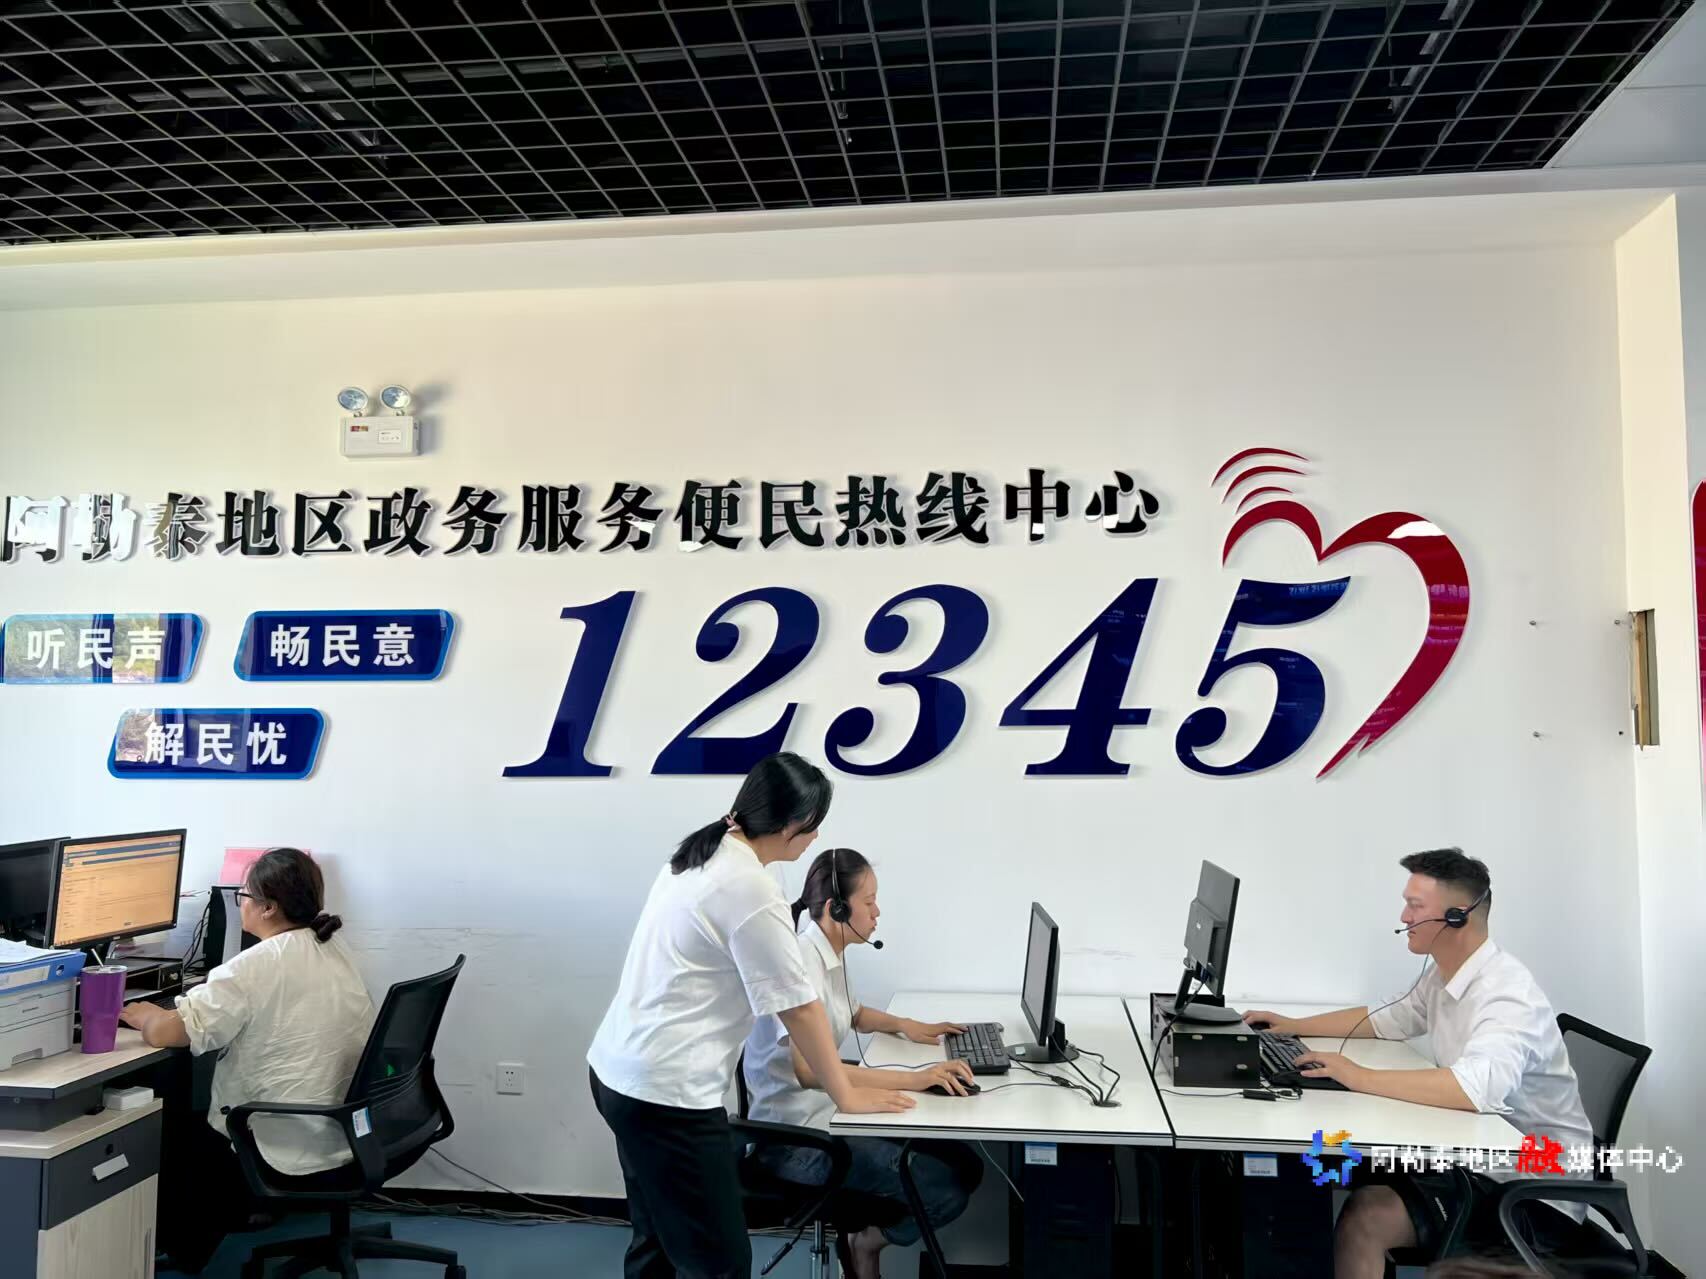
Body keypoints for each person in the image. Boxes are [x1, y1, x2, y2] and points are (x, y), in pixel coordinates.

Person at [587, 753, 914, 1279]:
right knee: (720, 1263)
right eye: (813, 825)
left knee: (658, 1243)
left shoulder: (701, 854)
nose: (816, 837)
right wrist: (847, 1095)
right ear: (790, 825)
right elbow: (799, 1008)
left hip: (619, 1073)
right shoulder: (751, 888)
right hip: (667, 1097)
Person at [1244, 848, 1593, 1279]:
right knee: (1310, 1165)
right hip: (1478, 1166)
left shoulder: (1507, 997)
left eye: (1415, 906)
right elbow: (1388, 1018)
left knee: (1367, 1218)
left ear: (1456, 917)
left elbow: (1472, 1090)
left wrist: (1357, 1076)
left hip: (1531, 1196)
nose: (1404, 917)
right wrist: (1295, 1026)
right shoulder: (1447, 974)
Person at [119, 848, 375, 1265]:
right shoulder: (331, 944)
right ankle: (235, 1219)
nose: (241, 905)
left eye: (243, 896)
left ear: (268, 907)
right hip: (342, 1122)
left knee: (176, 1128)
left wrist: (144, 1014)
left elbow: (169, 1033)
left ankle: (183, 1256)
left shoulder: (255, 965)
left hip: (289, 1132)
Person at [744, 847, 984, 1279]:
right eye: (869, 902)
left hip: (831, 1114)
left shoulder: (827, 954)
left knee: (967, 1164)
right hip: (796, 1141)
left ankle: (863, 1240)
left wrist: (908, 1025)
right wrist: (915, 1078)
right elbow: (808, 1070)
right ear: (836, 908)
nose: (877, 912)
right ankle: (866, 1243)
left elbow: (853, 1013)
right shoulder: (800, 965)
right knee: (944, 1188)